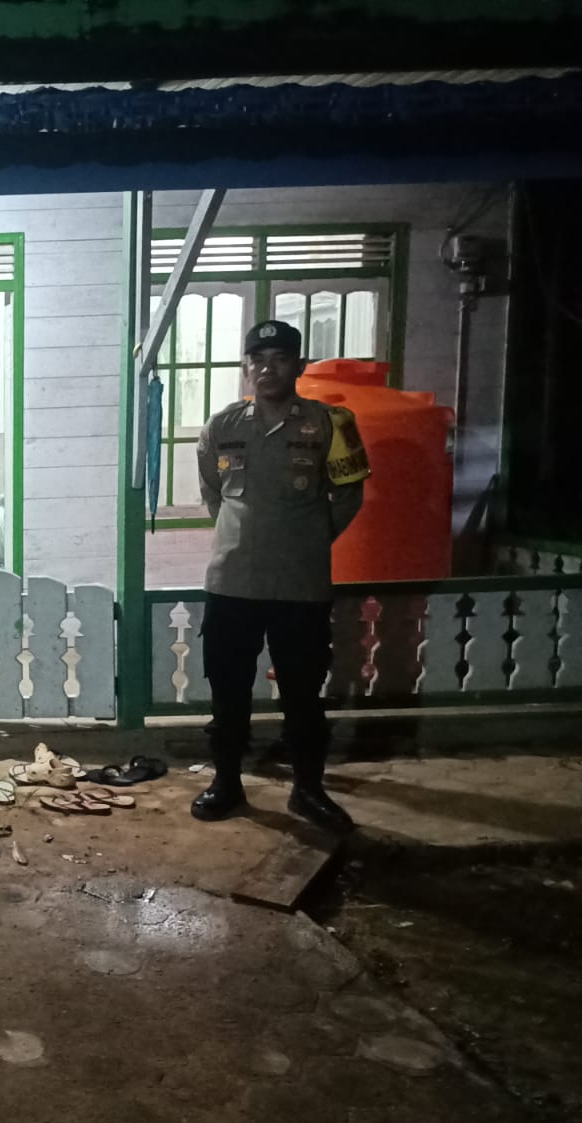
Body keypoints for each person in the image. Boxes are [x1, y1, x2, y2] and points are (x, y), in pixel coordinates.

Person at [192, 320, 370, 833]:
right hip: (233, 583)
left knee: (303, 693)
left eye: (280, 358)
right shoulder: (222, 426)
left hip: (300, 586)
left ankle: (308, 791)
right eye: (258, 359)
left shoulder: (331, 424)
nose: (267, 368)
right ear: (246, 367)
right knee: (228, 690)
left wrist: (306, 541)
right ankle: (227, 783)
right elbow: (213, 494)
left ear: (299, 366)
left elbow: (349, 495)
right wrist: (245, 537)